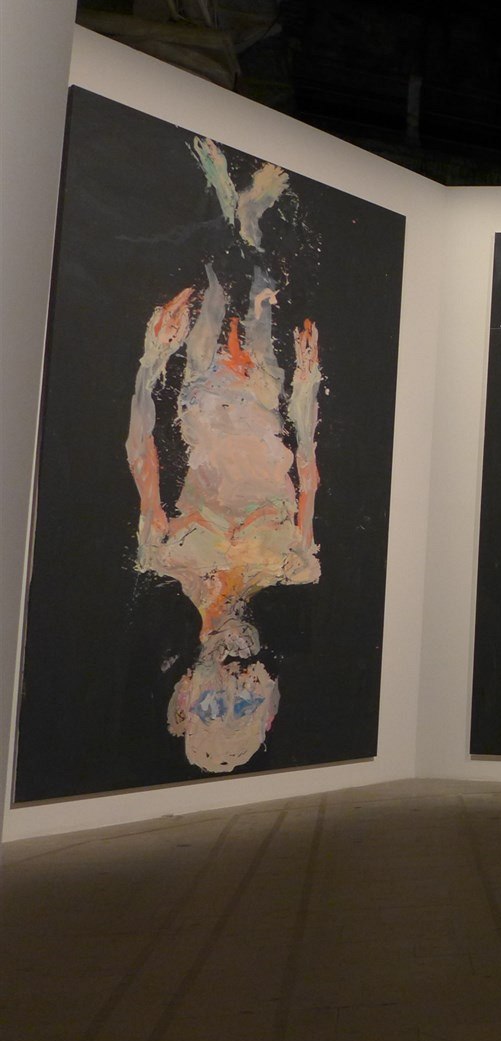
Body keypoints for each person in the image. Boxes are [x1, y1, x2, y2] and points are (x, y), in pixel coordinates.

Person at [125, 138, 320, 773]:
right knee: (258, 286)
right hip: (264, 395)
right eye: (249, 702)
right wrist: (307, 396)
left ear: (186, 690)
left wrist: (151, 361)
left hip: (204, 395)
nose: (237, 679)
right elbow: (308, 473)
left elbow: (143, 455)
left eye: (216, 704)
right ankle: (247, 211)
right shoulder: (294, 566)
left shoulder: (166, 556)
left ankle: (227, 201)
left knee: (216, 282)